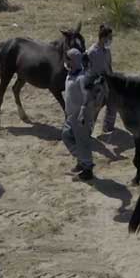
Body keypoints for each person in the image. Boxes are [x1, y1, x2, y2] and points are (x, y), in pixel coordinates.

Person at [62, 49, 94, 182]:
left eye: (67, 59)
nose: (65, 62)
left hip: (81, 117)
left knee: (83, 142)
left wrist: (82, 111)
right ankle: (82, 160)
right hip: (71, 116)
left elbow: (87, 95)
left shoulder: (82, 77)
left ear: (74, 60)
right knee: (66, 135)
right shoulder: (70, 75)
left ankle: (87, 170)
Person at [86, 24, 116, 134]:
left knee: (112, 105)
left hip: (108, 83)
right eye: (110, 38)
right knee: (95, 109)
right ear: (103, 38)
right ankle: (88, 130)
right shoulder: (92, 52)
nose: (111, 40)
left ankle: (108, 128)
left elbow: (109, 66)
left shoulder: (107, 50)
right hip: (97, 86)